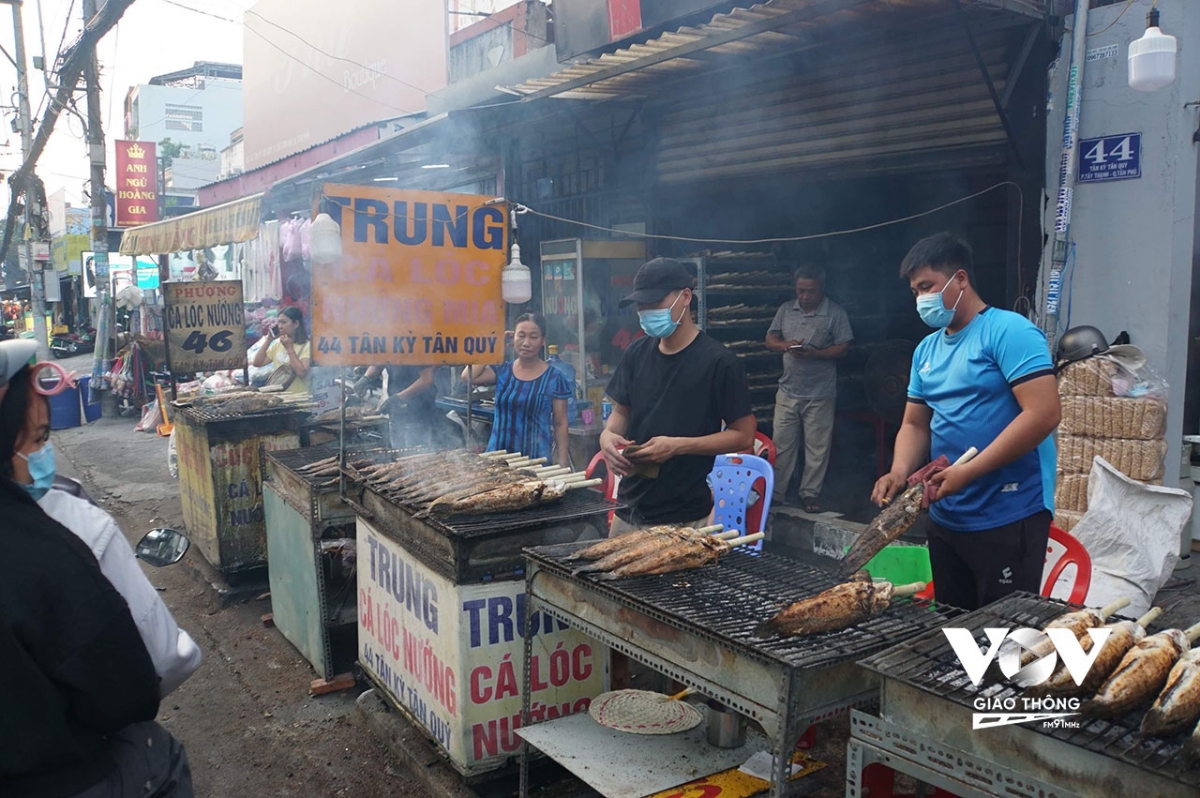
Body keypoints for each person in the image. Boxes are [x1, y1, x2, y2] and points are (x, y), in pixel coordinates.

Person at [0, 340, 194, 797]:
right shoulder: (70, 527)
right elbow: (156, 669)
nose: (43, 458)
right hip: (58, 774)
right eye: (39, 440)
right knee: (157, 752)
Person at [871, 233, 1060, 611]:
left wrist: (969, 472)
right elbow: (915, 425)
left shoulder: (1009, 332)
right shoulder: (926, 349)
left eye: (927, 286)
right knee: (953, 626)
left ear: (960, 279)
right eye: (914, 292)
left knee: (1004, 636)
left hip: (1009, 512)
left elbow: (1043, 414)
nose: (920, 299)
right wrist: (898, 470)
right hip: (947, 516)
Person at [600, 258, 755, 533]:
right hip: (628, 510)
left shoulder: (720, 362)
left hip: (683, 516)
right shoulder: (636, 353)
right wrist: (607, 436)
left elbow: (743, 435)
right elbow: (622, 411)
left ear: (685, 297)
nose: (646, 312)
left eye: (655, 303)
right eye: (641, 306)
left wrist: (678, 446)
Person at [765, 264, 853, 512]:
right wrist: (785, 345)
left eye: (810, 291)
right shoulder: (786, 310)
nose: (804, 296)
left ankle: (810, 494)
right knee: (781, 446)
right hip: (788, 390)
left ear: (821, 289)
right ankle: (777, 493)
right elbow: (769, 339)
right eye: (801, 290)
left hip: (820, 393)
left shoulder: (835, 313)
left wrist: (816, 354)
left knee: (817, 448)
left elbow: (844, 347)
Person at [463, 313, 571, 466]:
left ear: (543, 341)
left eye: (533, 337)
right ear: (512, 339)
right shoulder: (502, 370)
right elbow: (468, 376)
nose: (526, 343)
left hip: (535, 460)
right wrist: (495, 345)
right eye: (521, 336)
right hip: (497, 458)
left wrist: (563, 462)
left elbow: (560, 423)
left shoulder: (555, 378)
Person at [356, 364, 438, 450]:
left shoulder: (417, 351)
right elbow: (379, 362)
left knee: (417, 454)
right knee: (397, 454)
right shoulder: (388, 350)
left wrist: (398, 398)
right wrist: (366, 378)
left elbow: (427, 379)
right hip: (396, 412)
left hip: (418, 411)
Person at [251, 305, 311, 394]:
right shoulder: (278, 344)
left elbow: (302, 373)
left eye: (284, 322)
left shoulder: (307, 346)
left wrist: (289, 348)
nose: (280, 326)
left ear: (296, 324)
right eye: (278, 323)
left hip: (299, 399)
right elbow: (257, 362)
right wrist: (268, 340)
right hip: (280, 397)